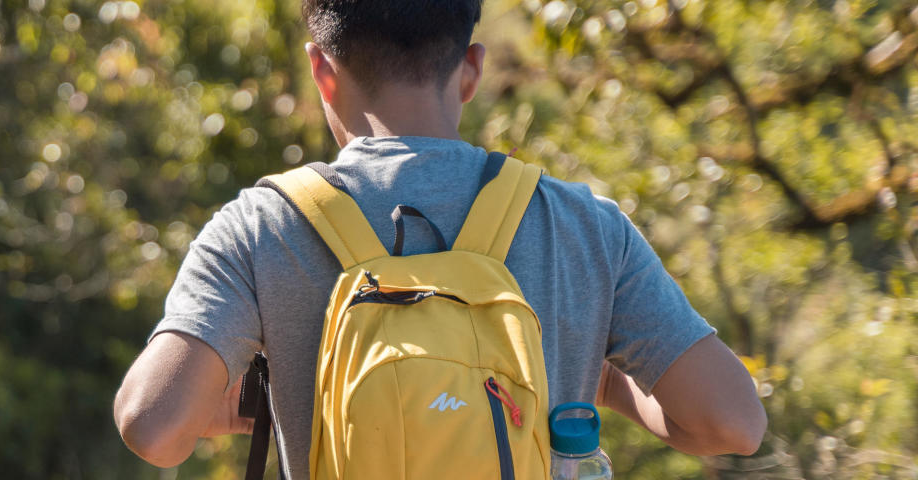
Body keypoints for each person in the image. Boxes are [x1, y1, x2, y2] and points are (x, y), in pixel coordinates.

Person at [111, 0, 768, 477]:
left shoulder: (261, 226)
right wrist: (606, 384)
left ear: (321, 72)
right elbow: (733, 425)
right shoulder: (583, 227)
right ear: (471, 69)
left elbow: (153, 428)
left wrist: (218, 412)